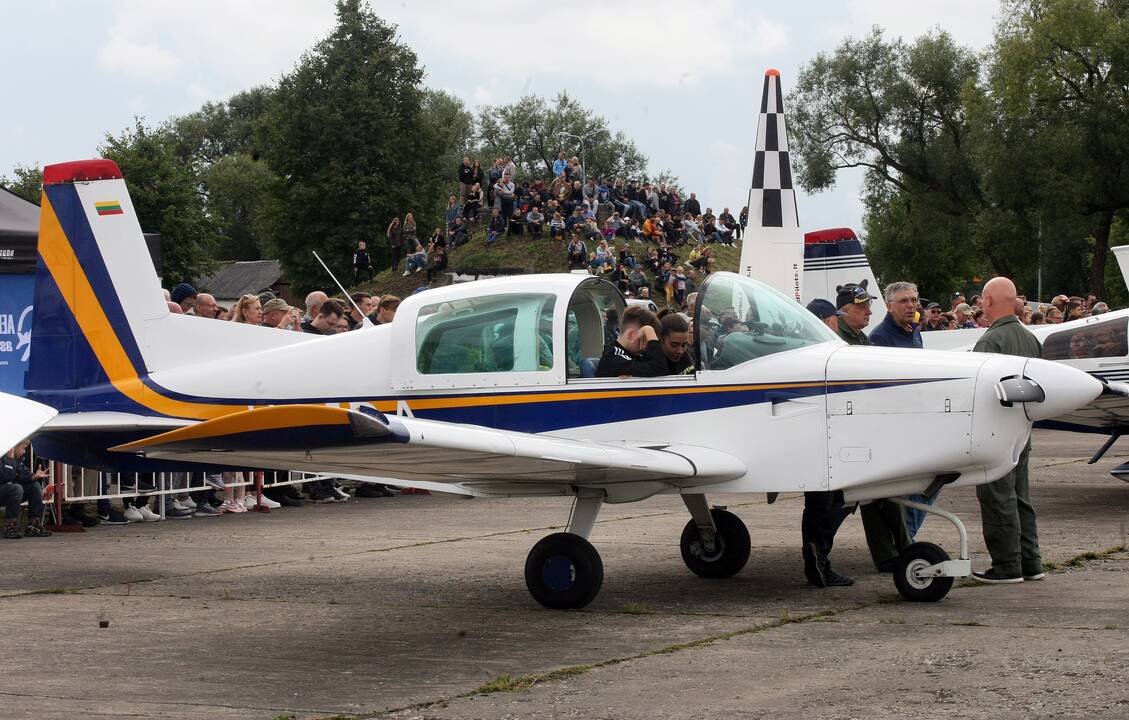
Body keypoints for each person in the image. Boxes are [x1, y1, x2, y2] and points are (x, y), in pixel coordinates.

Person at [833, 281, 912, 572]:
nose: (868, 310)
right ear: (844, 310)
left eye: (869, 305)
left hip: (870, 427)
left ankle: (898, 552)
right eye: (861, 305)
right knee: (846, 502)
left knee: (886, 493)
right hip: (851, 431)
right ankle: (888, 553)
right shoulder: (840, 342)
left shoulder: (861, 338)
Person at [971, 276, 1044, 584]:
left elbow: (974, 390)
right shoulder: (1031, 339)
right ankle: (1031, 561)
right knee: (1020, 496)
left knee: (997, 498)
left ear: (987, 302)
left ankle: (1006, 565)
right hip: (1021, 431)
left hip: (994, 435)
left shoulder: (990, 342)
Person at [596, 305, 666, 378]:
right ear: (631, 335)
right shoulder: (614, 358)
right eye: (646, 341)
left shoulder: (633, 356)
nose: (647, 347)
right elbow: (659, 369)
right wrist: (649, 330)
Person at [1, 439, 51, 539]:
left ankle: (33, 524)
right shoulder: (4, 457)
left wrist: (33, 476)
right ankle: (10, 525)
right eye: (23, 448)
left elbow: (21, 474)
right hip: (4, 491)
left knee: (34, 486)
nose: (24, 452)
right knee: (16, 488)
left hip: (7, 492)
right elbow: (6, 477)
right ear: (13, 447)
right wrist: (9, 458)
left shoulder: (17, 459)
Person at [868, 281, 923, 349]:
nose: (910, 305)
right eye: (903, 301)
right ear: (889, 307)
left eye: (914, 300)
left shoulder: (914, 330)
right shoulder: (878, 338)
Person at [657, 310, 694, 374]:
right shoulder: (648, 363)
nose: (680, 351)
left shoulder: (687, 360)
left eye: (684, 345)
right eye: (674, 345)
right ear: (661, 340)